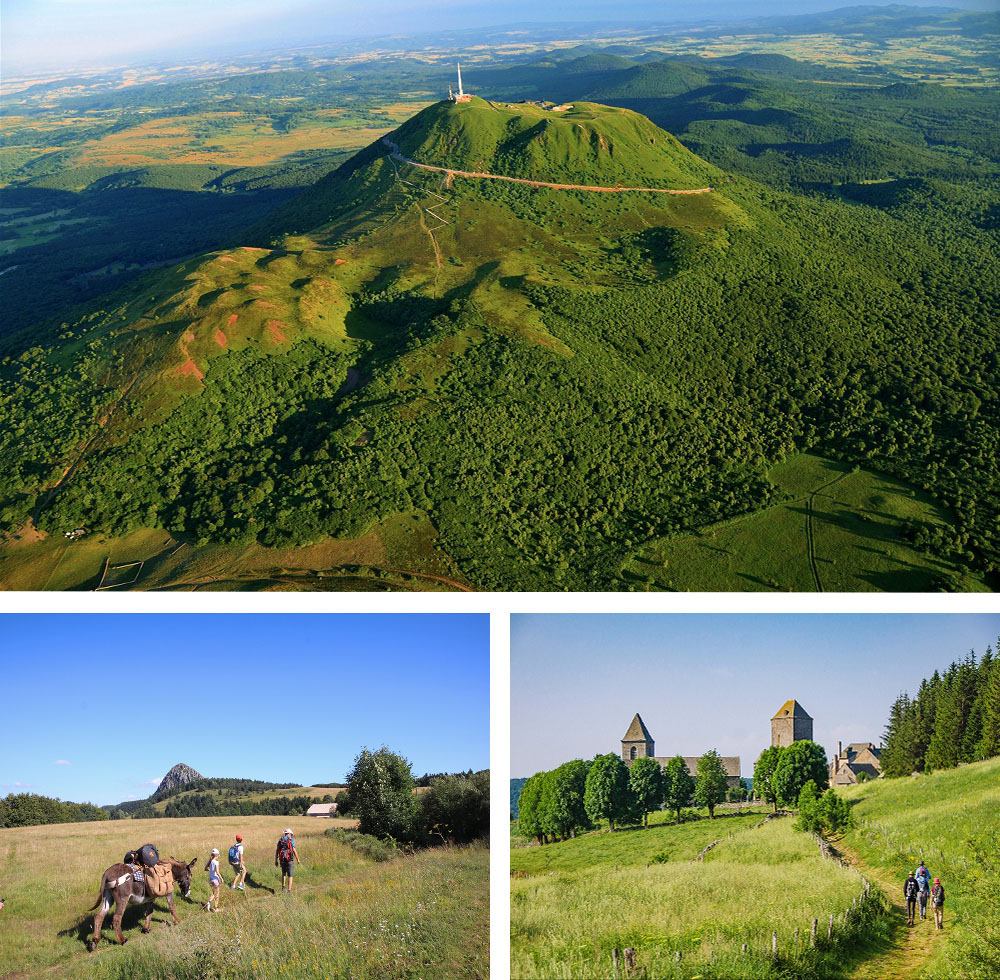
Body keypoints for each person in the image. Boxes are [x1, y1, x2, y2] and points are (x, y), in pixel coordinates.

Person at [275, 828, 302, 893]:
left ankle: (283, 887)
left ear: (285, 833)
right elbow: (294, 850)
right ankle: (289, 891)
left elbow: (277, 850)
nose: (291, 836)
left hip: (282, 859)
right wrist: (298, 859)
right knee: (290, 875)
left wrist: (276, 860)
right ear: (289, 834)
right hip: (289, 859)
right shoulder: (291, 840)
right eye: (291, 834)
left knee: (283, 873)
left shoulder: (280, 840)